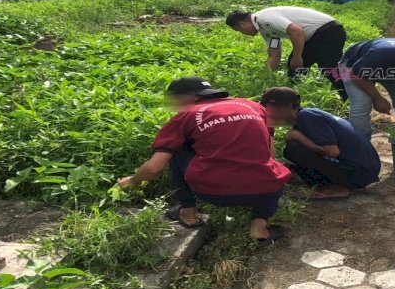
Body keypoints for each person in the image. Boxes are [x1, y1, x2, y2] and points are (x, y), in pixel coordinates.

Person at [117, 77, 291, 242]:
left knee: (176, 148)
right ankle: (259, 228)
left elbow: (155, 168)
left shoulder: (187, 115)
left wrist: (133, 180)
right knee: (269, 167)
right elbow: (270, 154)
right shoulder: (253, 106)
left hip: (212, 192)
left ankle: (189, 214)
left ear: (188, 98)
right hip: (267, 189)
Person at [260, 87, 381, 200]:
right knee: (293, 149)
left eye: (270, 109)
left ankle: (340, 187)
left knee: (294, 148)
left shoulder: (306, 116)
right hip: (363, 169)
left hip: (359, 172)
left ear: (288, 107)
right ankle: (334, 182)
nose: (268, 114)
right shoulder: (306, 115)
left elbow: (332, 152)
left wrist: (299, 137)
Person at [226, 7, 347, 98]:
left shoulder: (265, 18)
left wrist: (297, 56)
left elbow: (296, 31)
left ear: (242, 24)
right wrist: (266, 76)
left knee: (328, 68)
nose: (242, 33)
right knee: (294, 68)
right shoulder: (266, 30)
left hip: (329, 32)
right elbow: (274, 54)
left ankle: (351, 99)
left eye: (239, 30)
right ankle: (292, 99)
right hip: (311, 38)